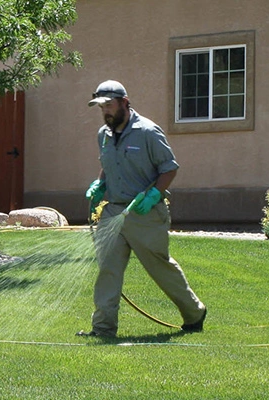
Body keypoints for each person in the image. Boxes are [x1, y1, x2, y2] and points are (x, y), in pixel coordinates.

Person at [77, 80, 207, 337]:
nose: (106, 112)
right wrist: (100, 184)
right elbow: (108, 165)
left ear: (125, 103)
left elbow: (169, 167)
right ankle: (103, 328)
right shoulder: (104, 134)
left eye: (109, 105)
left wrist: (154, 194)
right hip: (114, 212)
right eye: (101, 107)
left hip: (145, 213)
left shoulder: (148, 131)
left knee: (159, 268)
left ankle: (194, 313)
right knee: (108, 270)